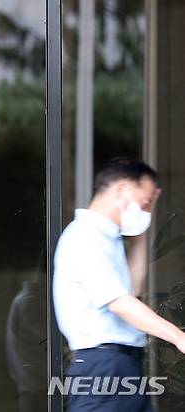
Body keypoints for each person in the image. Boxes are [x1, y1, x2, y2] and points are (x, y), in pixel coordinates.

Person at [53, 158, 185, 411]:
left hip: (121, 363)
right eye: (144, 202)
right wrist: (178, 337)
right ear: (122, 189)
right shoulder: (85, 237)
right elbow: (120, 304)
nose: (146, 210)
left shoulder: (105, 238)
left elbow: (131, 291)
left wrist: (140, 233)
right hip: (102, 366)